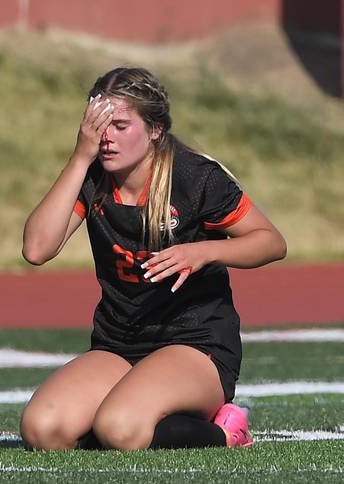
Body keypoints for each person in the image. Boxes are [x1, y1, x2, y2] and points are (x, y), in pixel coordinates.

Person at [19, 67, 287, 451]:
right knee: (44, 430)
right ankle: (140, 411)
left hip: (196, 344)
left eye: (121, 125)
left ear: (156, 130)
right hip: (120, 344)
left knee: (120, 428)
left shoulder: (194, 177)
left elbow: (272, 242)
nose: (106, 138)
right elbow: (36, 250)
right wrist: (80, 158)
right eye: (98, 125)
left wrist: (203, 251)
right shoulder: (92, 176)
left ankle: (225, 432)